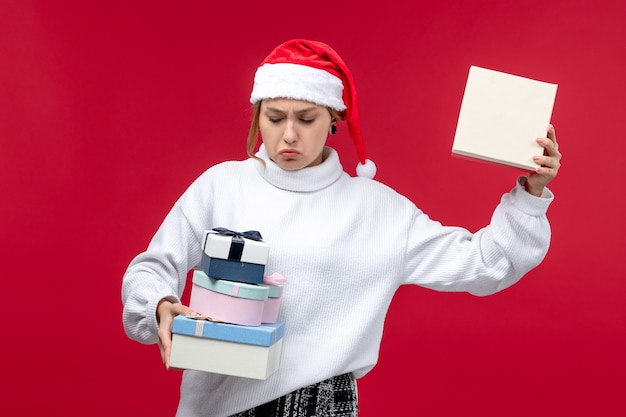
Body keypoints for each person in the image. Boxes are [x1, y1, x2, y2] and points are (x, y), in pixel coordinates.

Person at [121, 39, 561, 417]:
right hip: (216, 404)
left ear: (334, 118)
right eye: (274, 118)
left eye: (306, 118)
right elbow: (152, 266)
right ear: (258, 116)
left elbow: (484, 265)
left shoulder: (379, 211)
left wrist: (531, 193)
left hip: (323, 404)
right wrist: (159, 304)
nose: (288, 135)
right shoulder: (221, 186)